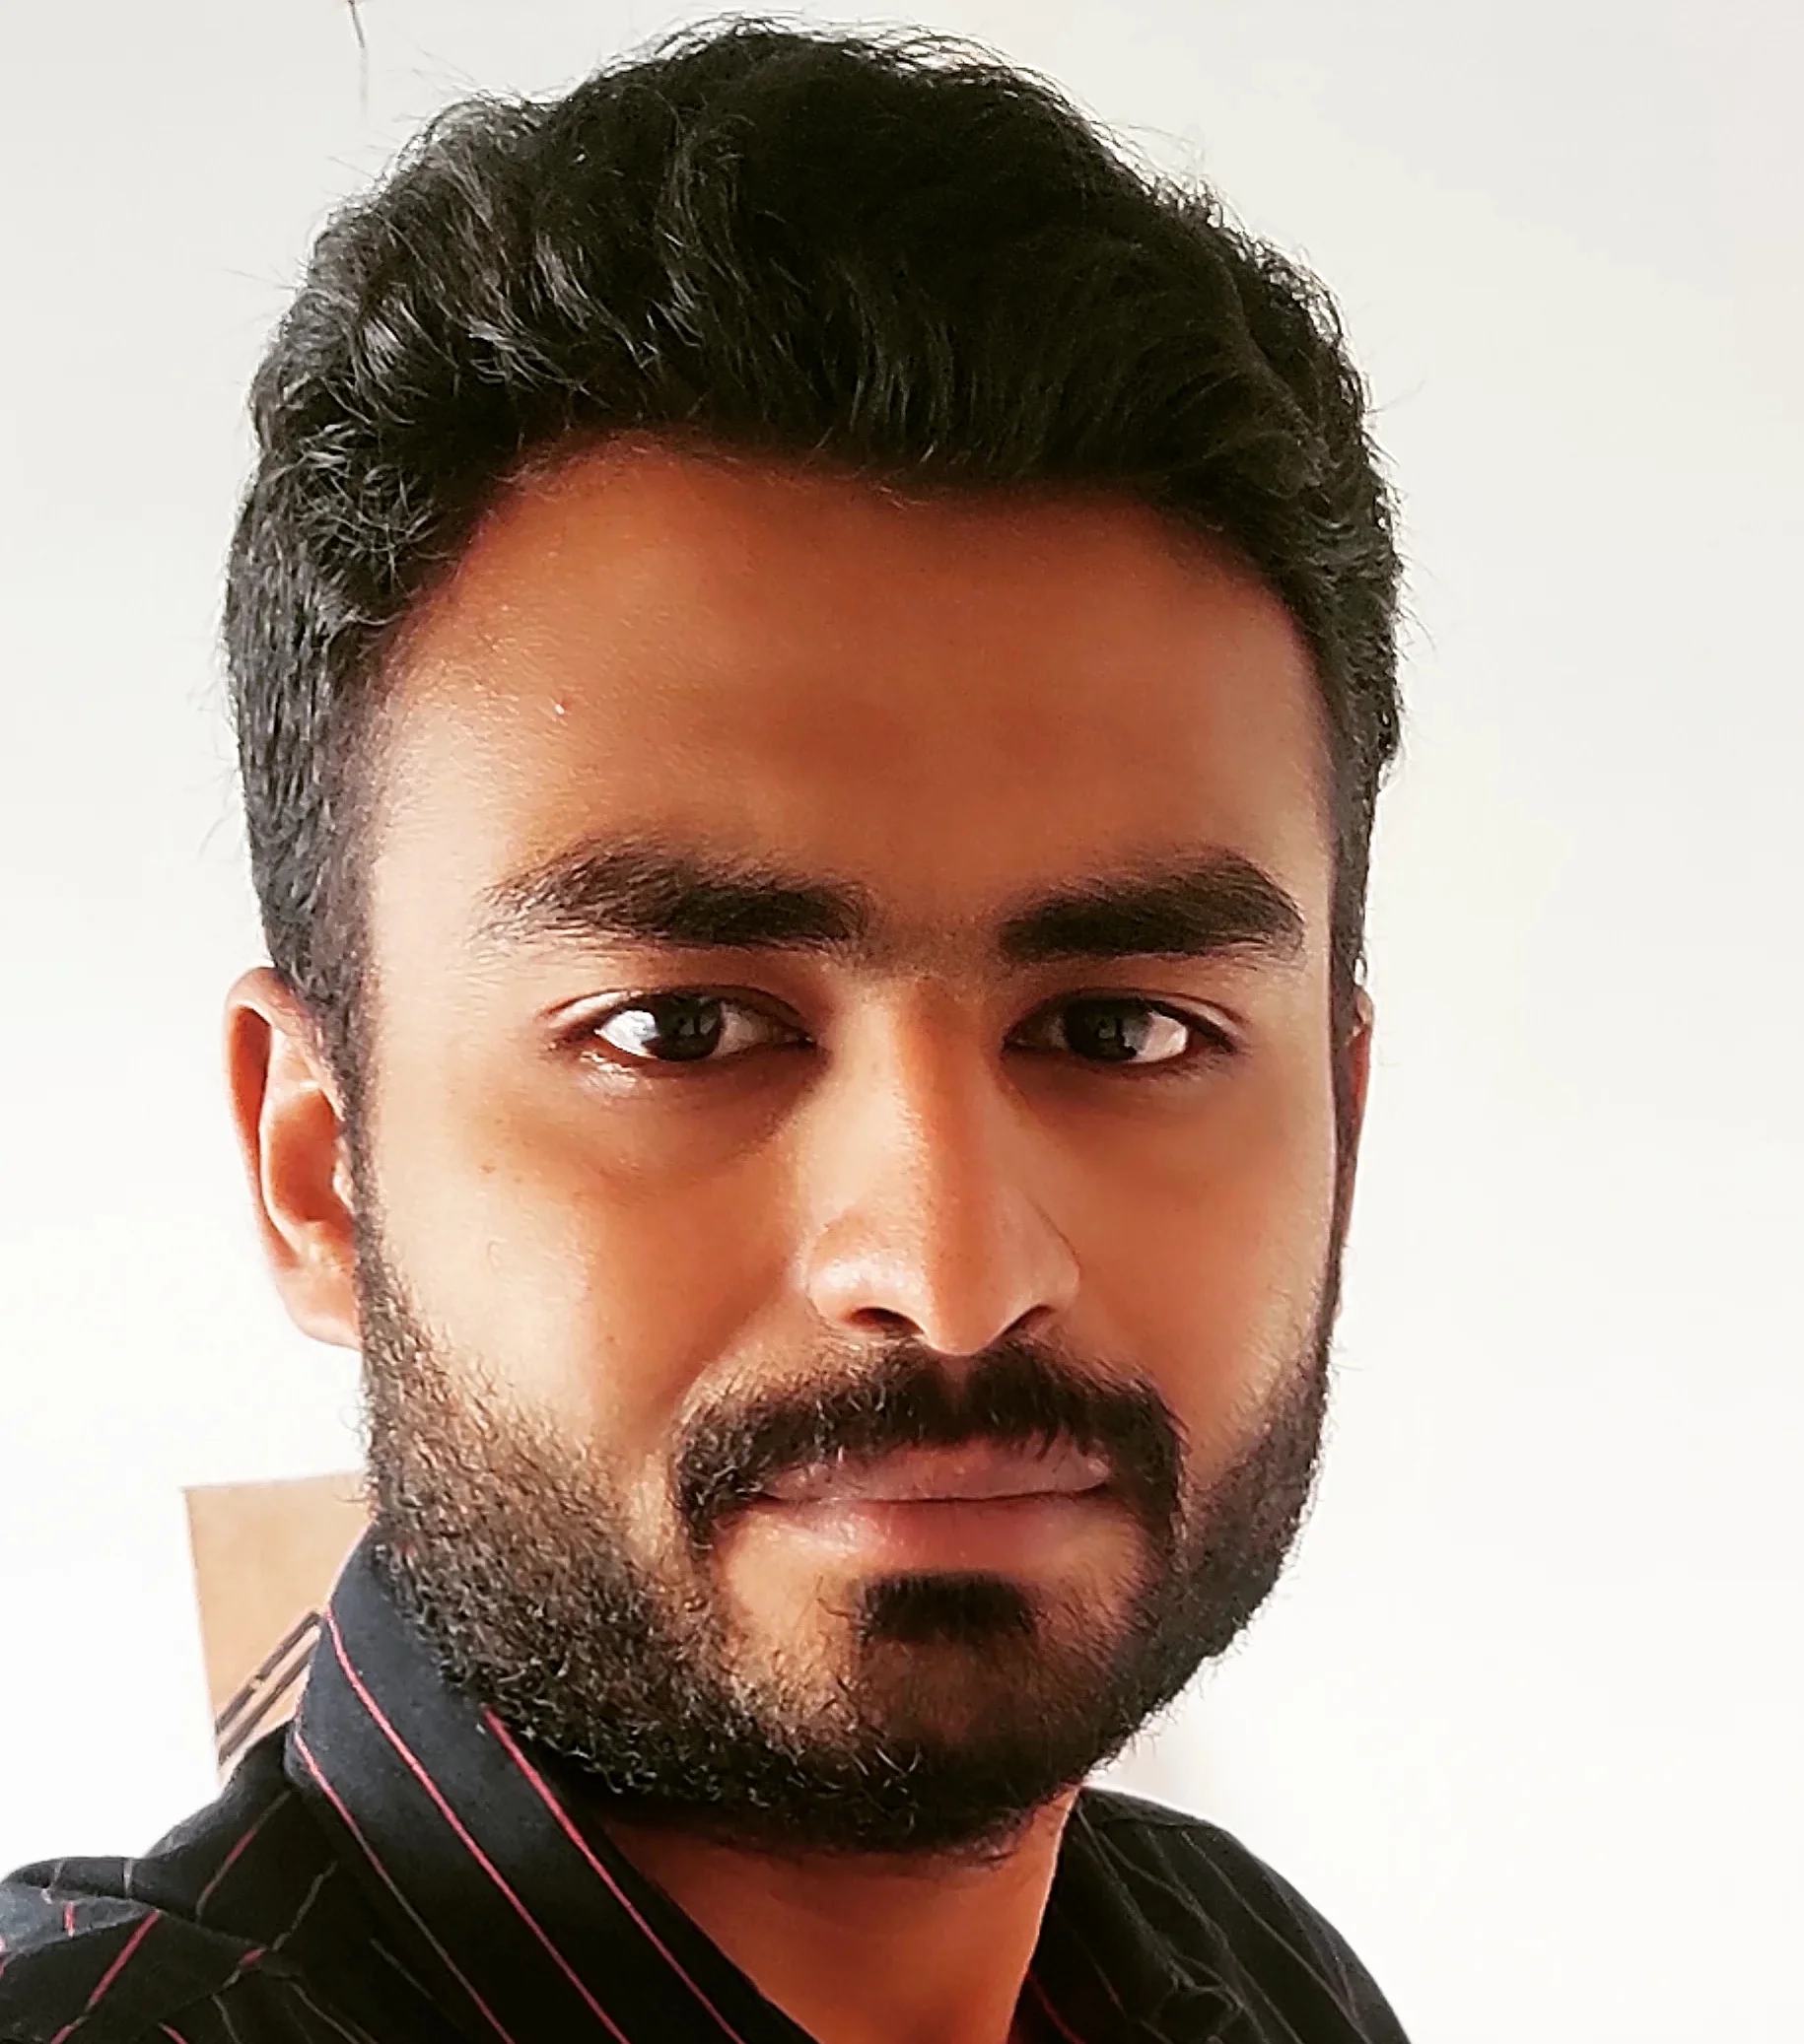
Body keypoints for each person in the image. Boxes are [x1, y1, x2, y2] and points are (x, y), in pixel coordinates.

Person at [0, 22, 1407, 2044]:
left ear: (1338, 1129)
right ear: (318, 1167)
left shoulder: (1242, 1975)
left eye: (1119, 1027)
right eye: (681, 1025)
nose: (949, 1271)